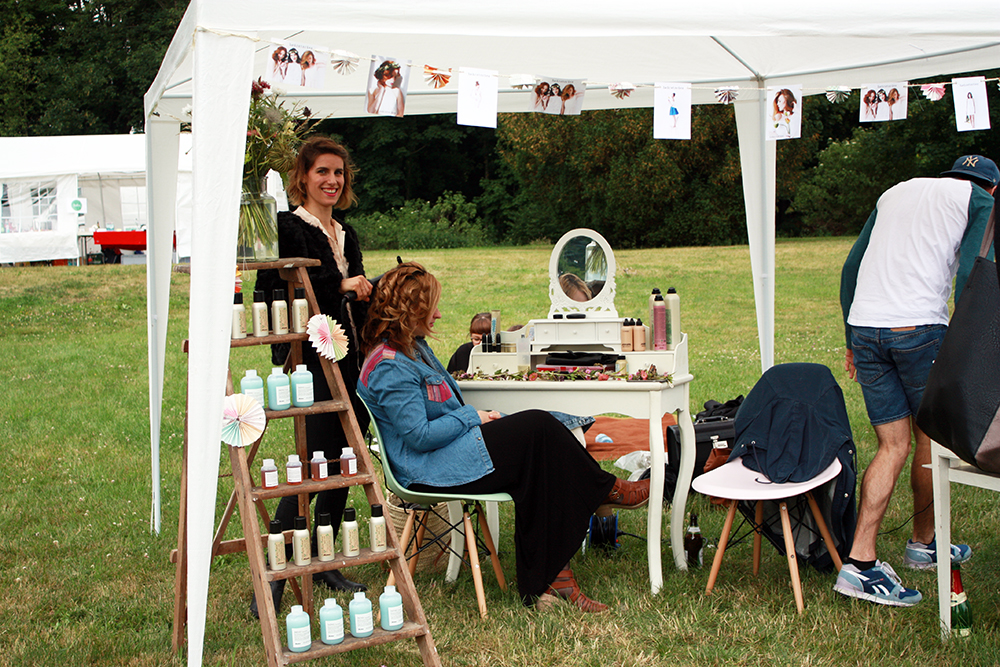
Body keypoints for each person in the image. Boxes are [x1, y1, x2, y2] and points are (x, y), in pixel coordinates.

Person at [357, 262, 650, 612]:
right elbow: (419, 436)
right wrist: (472, 416)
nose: (437, 314)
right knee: (538, 431)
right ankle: (604, 491)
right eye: (430, 307)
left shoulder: (413, 348)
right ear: (411, 311)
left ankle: (553, 584)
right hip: (429, 467)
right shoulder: (390, 365)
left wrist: (477, 419)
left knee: (539, 452)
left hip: (451, 450)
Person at [836, 155, 998, 606]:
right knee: (930, 440)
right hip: (919, 331)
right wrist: (968, 343)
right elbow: (972, 271)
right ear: (994, 189)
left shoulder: (896, 189)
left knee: (893, 444)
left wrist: (852, 339)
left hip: (867, 327)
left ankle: (861, 563)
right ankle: (923, 544)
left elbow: (851, 268)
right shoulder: (980, 200)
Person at [252, 136, 374, 617]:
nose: (332, 180)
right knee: (315, 460)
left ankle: (323, 560)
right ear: (302, 177)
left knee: (346, 456)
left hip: (353, 355)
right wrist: (340, 284)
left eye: (338, 173)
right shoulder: (290, 226)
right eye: (322, 171)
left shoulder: (348, 231)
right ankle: (277, 569)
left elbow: (353, 288)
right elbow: (280, 282)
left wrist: (370, 290)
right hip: (313, 355)